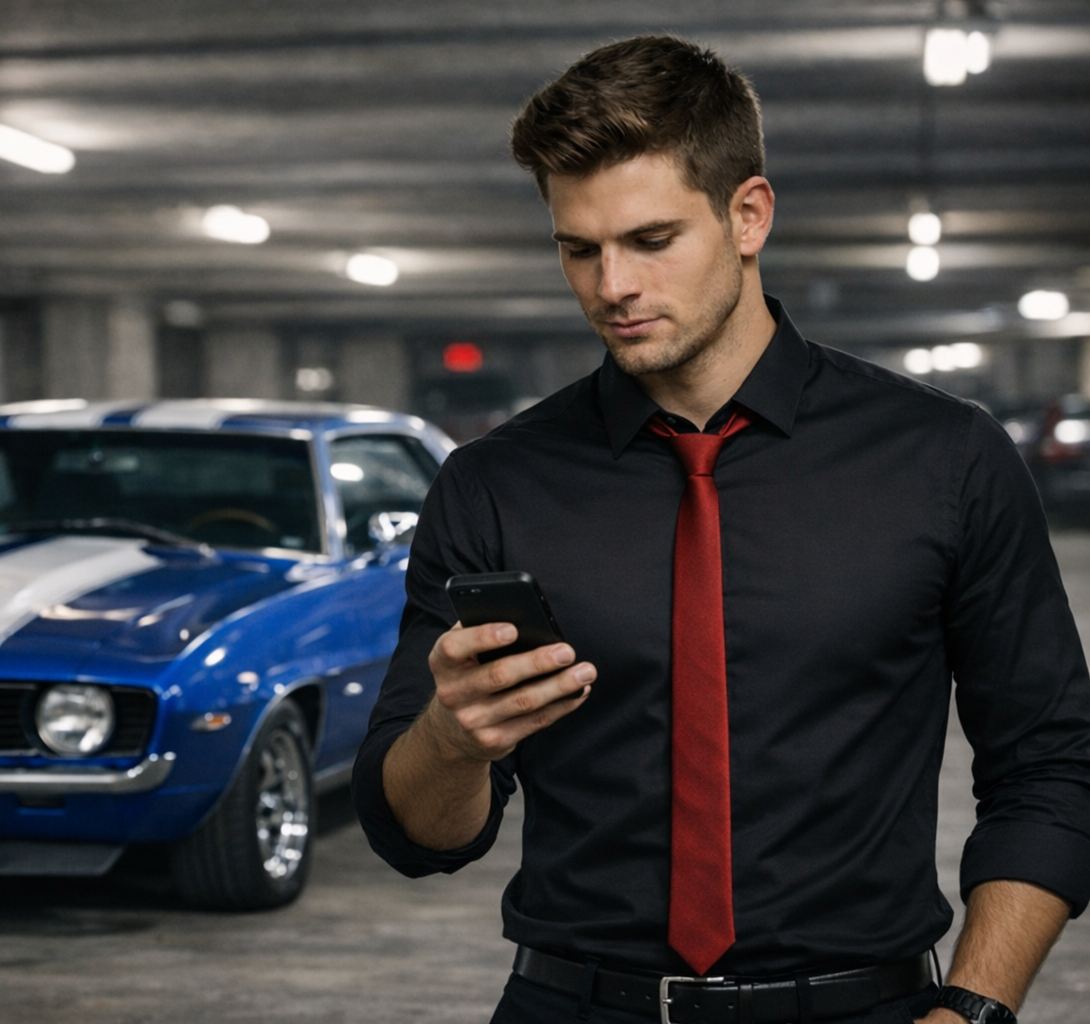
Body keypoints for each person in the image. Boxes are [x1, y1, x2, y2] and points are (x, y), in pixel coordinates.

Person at [353, 35, 1090, 1024]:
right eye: (580, 247)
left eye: (651, 240)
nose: (611, 285)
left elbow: (1051, 763)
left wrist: (978, 1007)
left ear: (748, 214)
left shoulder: (943, 458)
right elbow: (417, 834)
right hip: (575, 1004)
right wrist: (452, 737)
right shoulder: (495, 482)